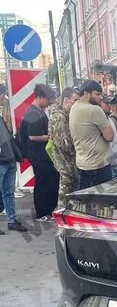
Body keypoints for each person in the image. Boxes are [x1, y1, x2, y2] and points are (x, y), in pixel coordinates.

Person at [20, 83, 59, 221]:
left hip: (42, 155)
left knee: (49, 182)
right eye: (48, 100)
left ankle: (48, 210)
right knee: (43, 183)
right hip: (38, 155)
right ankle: (42, 213)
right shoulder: (33, 113)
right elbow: (33, 136)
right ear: (41, 97)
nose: (49, 103)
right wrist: (52, 137)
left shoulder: (38, 111)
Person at [69, 80, 116, 189]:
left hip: (82, 164)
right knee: (104, 201)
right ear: (86, 93)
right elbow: (110, 136)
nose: (100, 97)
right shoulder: (94, 110)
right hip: (99, 166)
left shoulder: (74, 107)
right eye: (97, 94)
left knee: (87, 201)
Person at [47, 87, 80, 209]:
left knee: (69, 199)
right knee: (65, 200)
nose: (77, 104)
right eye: (75, 100)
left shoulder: (65, 115)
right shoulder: (59, 117)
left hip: (69, 164)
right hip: (66, 165)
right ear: (66, 100)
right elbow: (65, 144)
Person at [0, 116, 27, 232]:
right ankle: (12, 220)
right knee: (8, 192)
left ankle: (12, 220)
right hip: (5, 159)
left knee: (9, 192)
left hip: (9, 158)